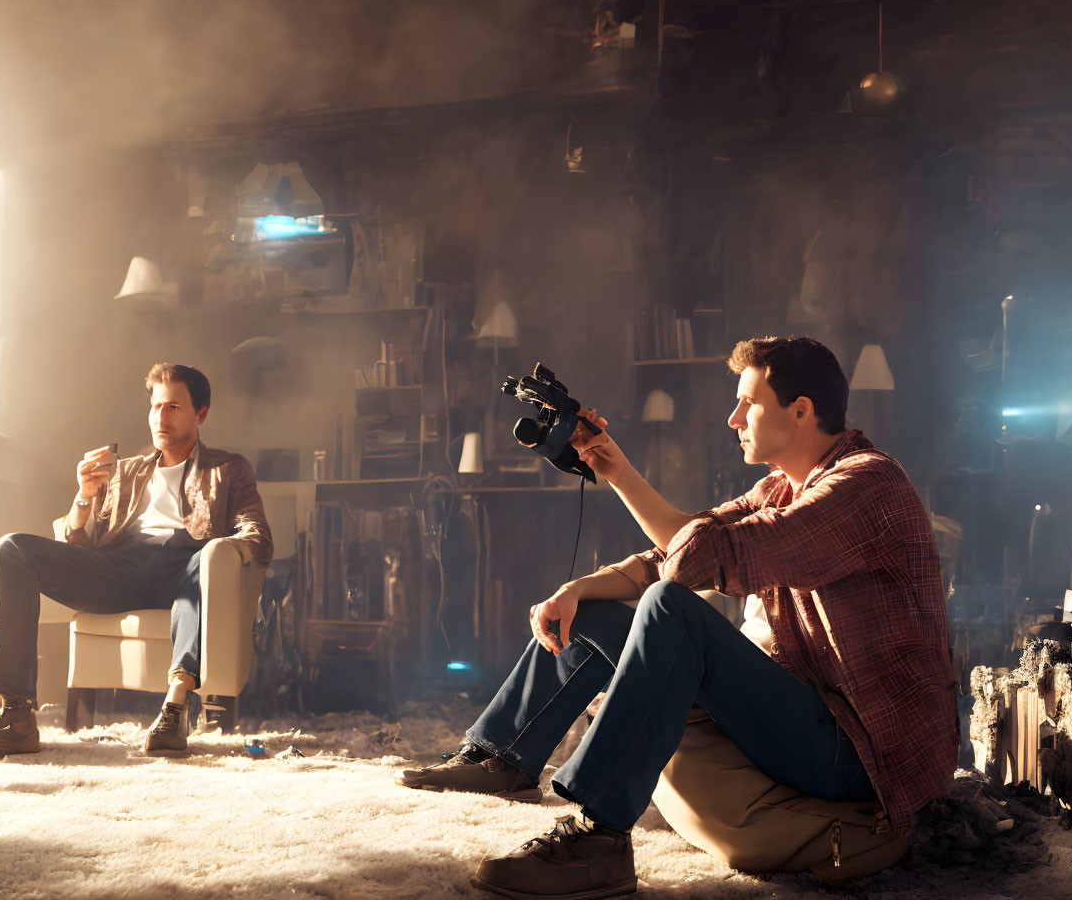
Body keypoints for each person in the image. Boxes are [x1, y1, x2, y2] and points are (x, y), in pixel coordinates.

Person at [397, 335, 957, 900]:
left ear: (802, 410)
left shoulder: (866, 485)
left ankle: (600, 841)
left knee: (670, 608)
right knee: (592, 612)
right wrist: (579, 582)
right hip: (802, 715)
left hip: (858, 753)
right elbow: (672, 552)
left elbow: (708, 558)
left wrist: (625, 488)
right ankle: (503, 757)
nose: (732, 417)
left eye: (748, 402)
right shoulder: (779, 489)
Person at [0, 363, 272, 757]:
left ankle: (175, 707)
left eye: (174, 407)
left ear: (201, 414)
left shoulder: (228, 470)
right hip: (119, 569)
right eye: (157, 407)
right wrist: (85, 496)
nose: (161, 416)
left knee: (202, 563)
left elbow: (256, 533)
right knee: (11, 548)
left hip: (185, 567)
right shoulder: (126, 472)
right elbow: (80, 545)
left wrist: (221, 551)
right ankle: (18, 714)